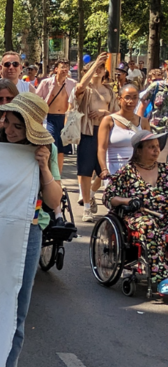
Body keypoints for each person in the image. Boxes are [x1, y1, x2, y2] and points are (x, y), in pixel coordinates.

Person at [0, 93, 62, 367]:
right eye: (7, 122)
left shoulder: (47, 150)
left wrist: (44, 168)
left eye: (18, 127)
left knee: (16, 312)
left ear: (32, 130)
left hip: (27, 234)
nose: (9, 130)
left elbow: (54, 202)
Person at [102, 130, 168, 293]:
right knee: (149, 226)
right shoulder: (127, 172)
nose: (156, 150)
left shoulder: (165, 170)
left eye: (157, 146)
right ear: (138, 150)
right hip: (139, 215)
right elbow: (108, 197)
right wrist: (127, 201)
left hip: (164, 214)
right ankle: (162, 278)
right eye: (151, 147)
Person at [75, 52, 118, 222]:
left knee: (105, 171)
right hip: (88, 132)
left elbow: (117, 112)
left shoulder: (109, 90)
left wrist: (104, 113)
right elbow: (80, 87)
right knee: (85, 171)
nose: (98, 70)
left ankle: (92, 193)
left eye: (101, 67)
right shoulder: (85, 90)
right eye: (95, 68)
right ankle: (86, 208)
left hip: (106, 132)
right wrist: (95, 63)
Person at [98, 84, 149, 181]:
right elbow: (102, 148)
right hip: (114, 169)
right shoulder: (108, 120)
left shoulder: (144, 122)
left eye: (134, 98)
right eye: (127, 97)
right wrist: (104, 169)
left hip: (137, 169)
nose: (131, 101)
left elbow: (148, 147)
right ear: (119, 99)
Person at [35, 59, 76, 173]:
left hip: (65, 119)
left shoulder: (72, 83)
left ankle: (58, 177)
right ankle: (48, 173)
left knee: (61, 150)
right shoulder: (46, 83)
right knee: (52, 147)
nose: (65, 69)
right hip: (50, 118)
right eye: (62, 67)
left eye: (67, 67)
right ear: (56, 69)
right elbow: (36, 99)